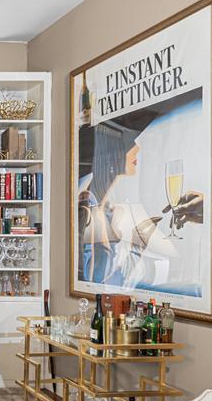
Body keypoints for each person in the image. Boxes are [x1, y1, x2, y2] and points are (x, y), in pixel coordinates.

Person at [78, 120, 203, 287]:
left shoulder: (114, 206)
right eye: (128, 143)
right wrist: (137, 243)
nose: (137, 148)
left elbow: (177, 258)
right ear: (110, 154)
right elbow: (98, 278)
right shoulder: (93, 206)